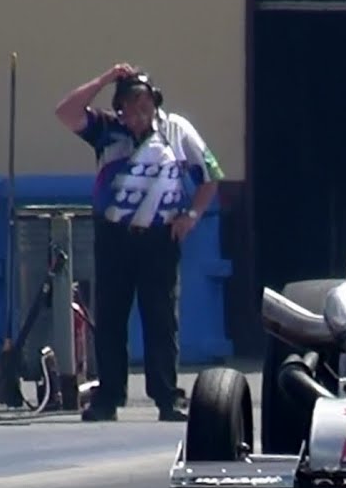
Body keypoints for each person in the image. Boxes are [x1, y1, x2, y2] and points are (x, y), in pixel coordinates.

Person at [54, 65, 224, 422]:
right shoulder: (106, 131)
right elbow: (65, 113)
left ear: (155, 103)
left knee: (161, 319)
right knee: (111, 316)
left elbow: (210, 175)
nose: (136, 115)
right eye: (128, 107)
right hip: (114, 235)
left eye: (143, 105)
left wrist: (190, 217)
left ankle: (167, 396)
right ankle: (109, 396)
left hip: (160, 237)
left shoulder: (177, 131)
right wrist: (102, 79)